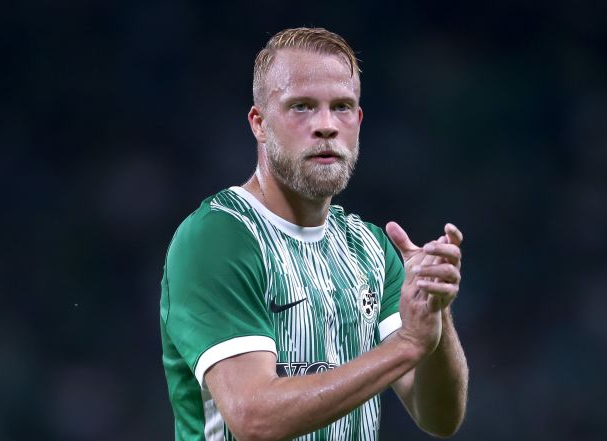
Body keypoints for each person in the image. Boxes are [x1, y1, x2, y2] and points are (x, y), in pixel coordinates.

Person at [160, 27, 468, 441]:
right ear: (259, 123)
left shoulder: (371, 249)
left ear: (358, 121)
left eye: (341, 107)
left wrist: (436, 313)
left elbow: (440, 418)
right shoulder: (218, 238)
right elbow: (255, 419)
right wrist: (406, 346)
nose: (326, 125)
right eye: (302, 107)